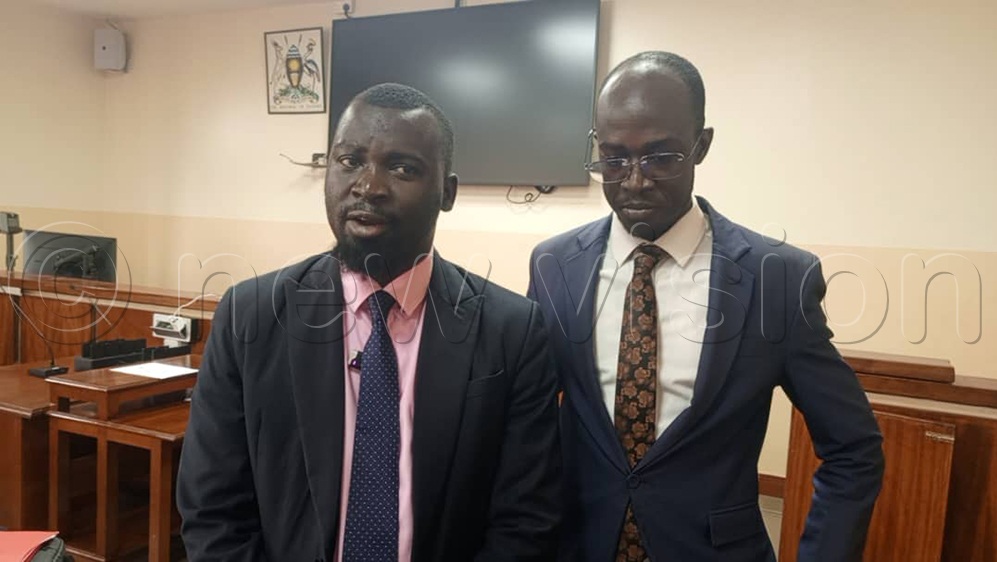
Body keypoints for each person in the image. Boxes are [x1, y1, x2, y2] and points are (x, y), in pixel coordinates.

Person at [178, 83, 562, 562]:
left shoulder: (512, 331)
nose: (368, 186)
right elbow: (213, 511)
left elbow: (526, 522)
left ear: (448, 192)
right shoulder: (250, 316)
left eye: (402, 167)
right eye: (349, 160)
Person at [527, 51, 884, 561]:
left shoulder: (775, 278)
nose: (634, 180)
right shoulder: (555, 265)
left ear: (701, 145)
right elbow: (526, 428)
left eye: (660, 156)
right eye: (613, 157)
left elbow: (854, 448)